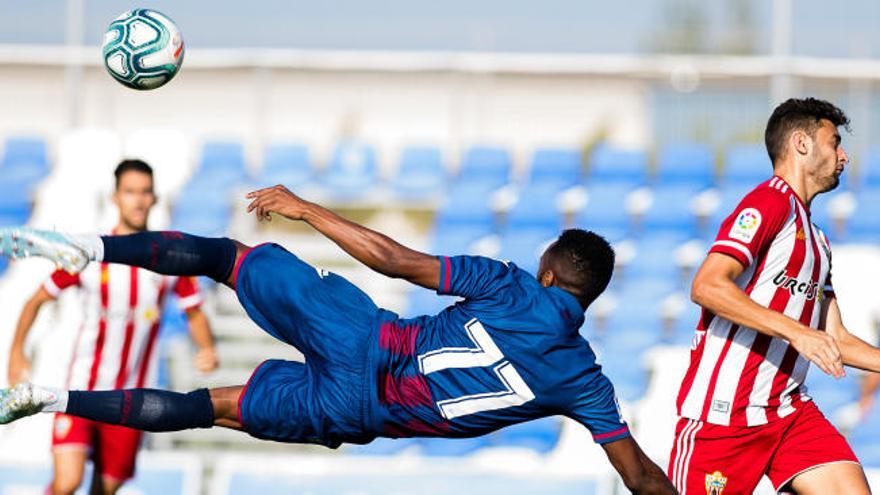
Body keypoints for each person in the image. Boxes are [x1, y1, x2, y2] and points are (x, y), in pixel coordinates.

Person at [0, 184, 675, 494]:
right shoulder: (586, 382)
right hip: (358, 411)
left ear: (549, 271)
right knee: (214, 405)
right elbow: (640, 475)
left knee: (227, 257)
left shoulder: (510, 284)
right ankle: (47, 396)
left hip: (361, 333)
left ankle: (88, 244)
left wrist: (307, 210)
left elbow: (393, 258)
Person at [669, 97, 878, 495]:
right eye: (834, 142)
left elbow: (835, 339)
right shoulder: (769, 202)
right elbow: (707, 285)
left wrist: (807, 335)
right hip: (724, 417)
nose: (844, 155)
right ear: (802, 143)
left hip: (788, 412)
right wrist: (796, 333)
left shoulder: (818, 241)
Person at [4, 160, 219, 495]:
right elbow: (35, 301)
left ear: (155, 198)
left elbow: (194, 310)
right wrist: (16, 354)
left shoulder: (171, 257)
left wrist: (206, 348)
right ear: (115, 197)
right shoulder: (88, 253)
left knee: (104, 490)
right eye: (130, 192)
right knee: (67, 482)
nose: (138, 200)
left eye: (145, 192)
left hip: (135, 398)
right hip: (81, 388)